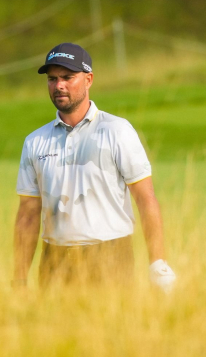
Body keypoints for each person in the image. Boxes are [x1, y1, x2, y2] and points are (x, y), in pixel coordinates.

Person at [12, 43, 176, 292]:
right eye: (52, 79)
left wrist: (158, 262)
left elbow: (145, 198)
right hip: (54, 260)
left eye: (68, 77)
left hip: (110, 255)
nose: (59, 86)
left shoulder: (116, 130)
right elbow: (28, 214)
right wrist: (20, 277)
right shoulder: (35, 141)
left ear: (88, 80)